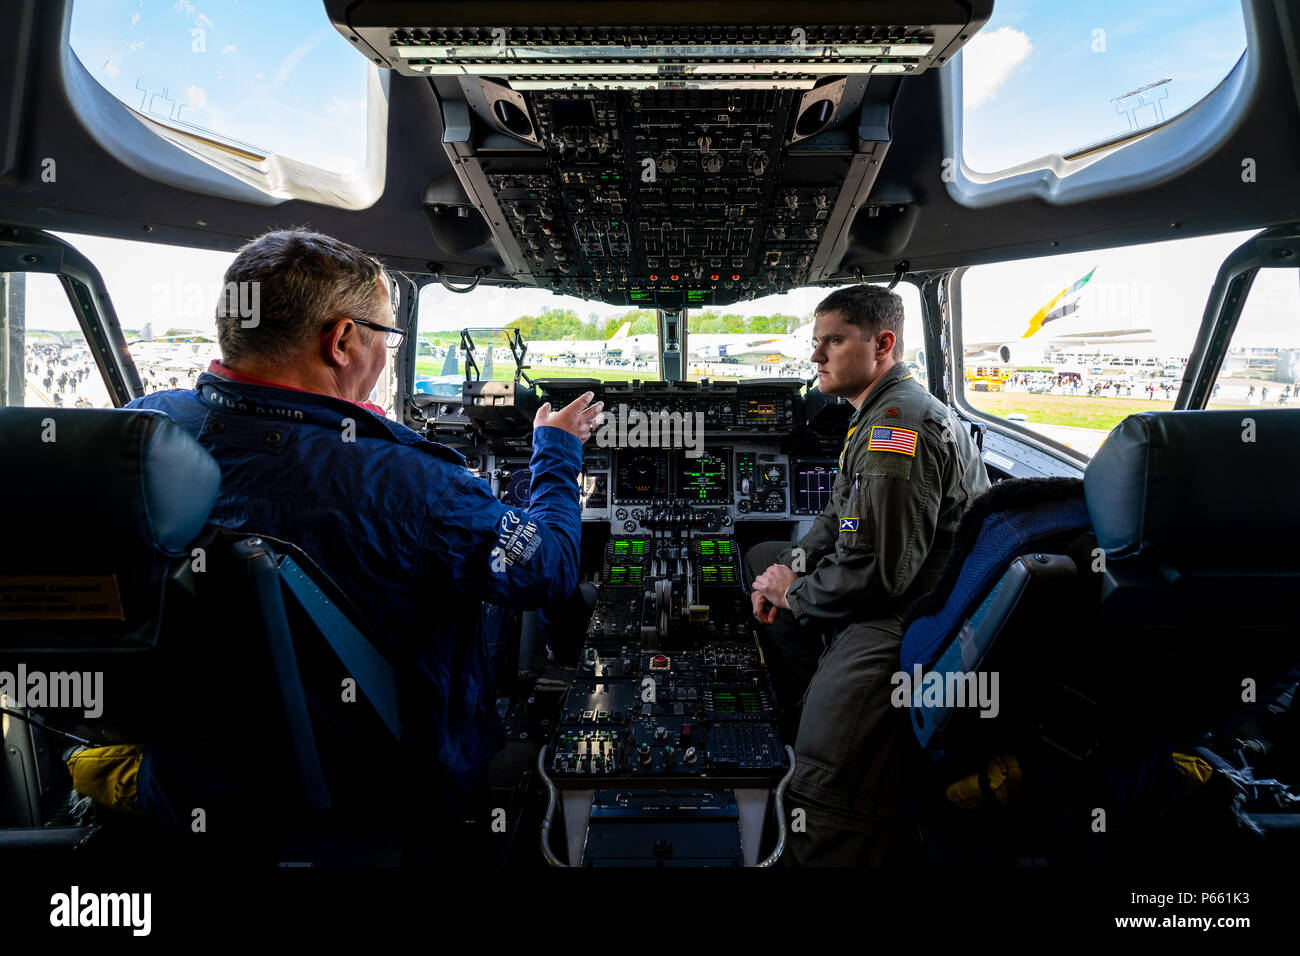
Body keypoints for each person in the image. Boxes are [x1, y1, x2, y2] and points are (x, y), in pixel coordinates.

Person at [128, 228, 603, 829]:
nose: (386, 353)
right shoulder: (414, 485)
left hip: (191, 789)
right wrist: (556, 452)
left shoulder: (141, 433)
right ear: (344, 340)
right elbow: (551, 568)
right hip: (390, 801)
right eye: (387, 336)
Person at [745, 284, 989, 866]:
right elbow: (837, 515)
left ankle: (832, 807)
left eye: (832, 341)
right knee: (762, 559)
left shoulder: (894, 430)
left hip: (913, 611)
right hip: (904, 582)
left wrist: (797, 595)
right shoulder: (876, 411)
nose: (815, 357)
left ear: (882, 344)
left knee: (822, 769)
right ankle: (816, 690)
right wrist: (791, 566)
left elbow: (880, 575)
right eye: (816, 342)